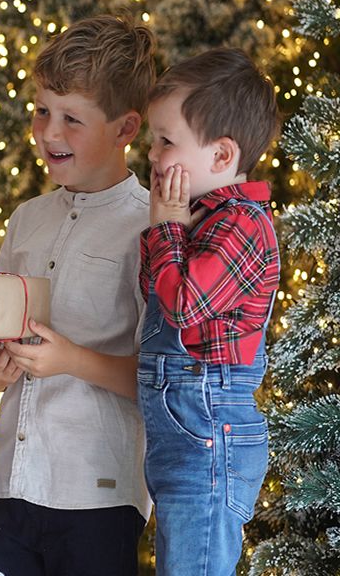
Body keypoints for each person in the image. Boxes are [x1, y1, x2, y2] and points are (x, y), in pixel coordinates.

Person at [0, 15, 156, 575]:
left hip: (97, 496)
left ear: (126, 129)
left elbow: (158, 378)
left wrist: (68, 361)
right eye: (42, 111)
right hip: (11, 486)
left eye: (72, 119)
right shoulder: (26, 220)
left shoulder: (151, 227)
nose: (49, 133)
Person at [138, 46, 280, 574]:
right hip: (179, 429)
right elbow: (150, 292)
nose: (152, 154)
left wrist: (167, 228)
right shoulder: (196, 217)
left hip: (210, 429)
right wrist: (168, 226)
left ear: (221, 157)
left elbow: (182, 306)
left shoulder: (243, 225)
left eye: (166, 141)